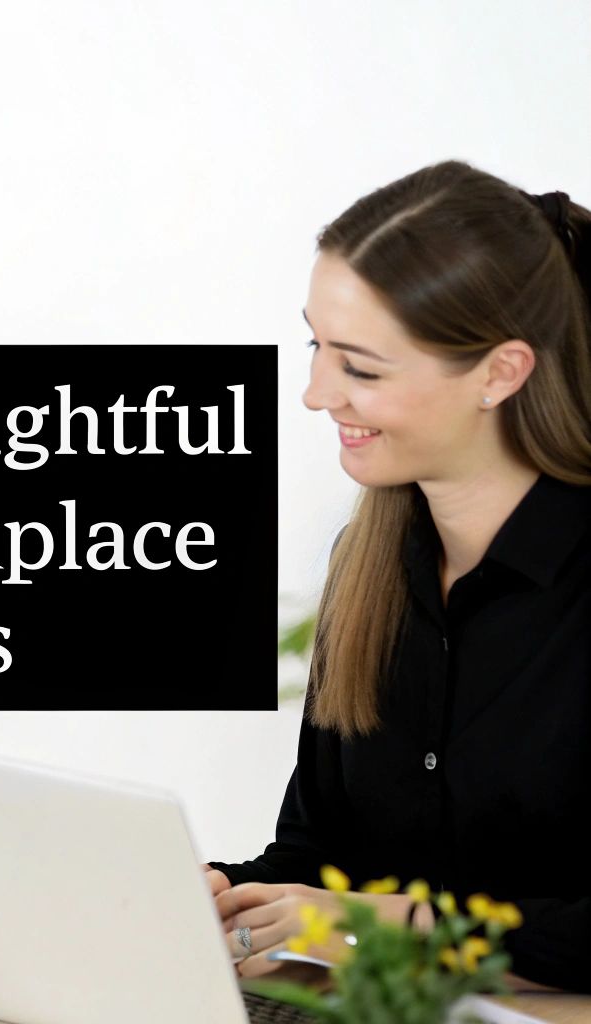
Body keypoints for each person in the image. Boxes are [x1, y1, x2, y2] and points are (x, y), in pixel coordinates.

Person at [203, 160, 591, 992]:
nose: (315, 394)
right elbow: (318, 857)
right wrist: (225, 896)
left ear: (500, 372)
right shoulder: (370, 567)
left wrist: (414, 931)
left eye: (361, 367)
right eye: (318, 346)